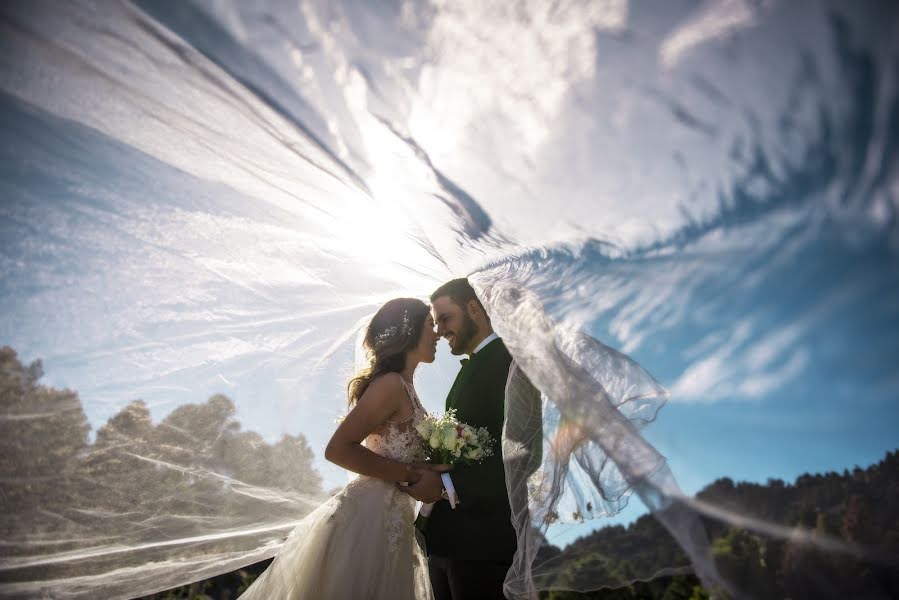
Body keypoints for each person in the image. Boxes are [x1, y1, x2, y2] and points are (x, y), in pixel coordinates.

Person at [238, 297, 444, 600]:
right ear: (410, 331)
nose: (437, 333)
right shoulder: (391, 385)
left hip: (393, 520)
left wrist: (429, 469)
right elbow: (338, 449)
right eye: (430, 325)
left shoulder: (406, 387)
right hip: (368, 520)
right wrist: (412, 474)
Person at [399, 278, 524, 600]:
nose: (438, 330)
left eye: (445, 318)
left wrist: (447, 487)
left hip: (484, 542)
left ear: (473, 309)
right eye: (435, 322)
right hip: (448, 541)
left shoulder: (510, 362)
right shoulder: (471, 368)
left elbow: (524, 451)